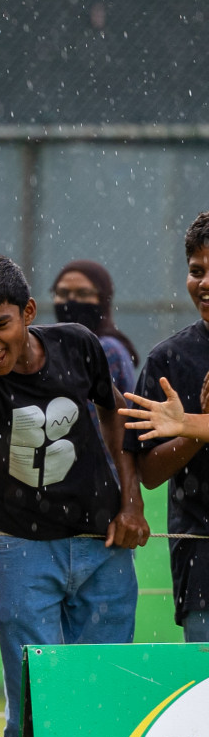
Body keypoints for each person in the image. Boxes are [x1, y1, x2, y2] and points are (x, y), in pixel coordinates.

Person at [0, 253, 149, 737]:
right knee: (35, 708)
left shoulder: (77, 343)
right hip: (22, 551)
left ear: (27, 312)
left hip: (103, 544)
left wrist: (131, 500)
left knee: (107, 697)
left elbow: (111, 409)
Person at [123, 212, 209, 643]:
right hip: (201, 553)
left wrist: (194, 423)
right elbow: (151, 474)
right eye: (197, 271)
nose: (205, 283)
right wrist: (192, 436)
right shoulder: (168, 362)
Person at [51, 260, 137, 393]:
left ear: (102, 299)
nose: (71, 300)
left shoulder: (104, 349)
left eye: (83, 293)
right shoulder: (58, 345)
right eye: (63, 293)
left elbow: (91, 410)